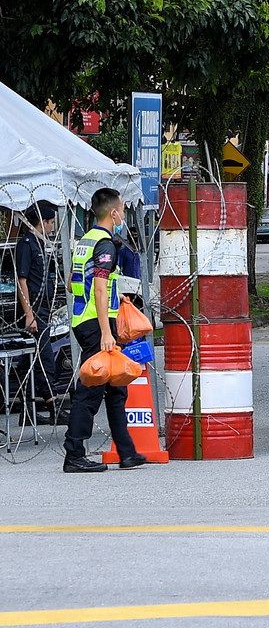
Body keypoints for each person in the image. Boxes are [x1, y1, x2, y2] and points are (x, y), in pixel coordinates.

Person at [63, 188, 147, 473]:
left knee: (115, 388)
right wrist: (105, 332)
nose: (123, 215)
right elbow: (98, 286)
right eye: (122, 210)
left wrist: (116, 297)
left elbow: (89, 282)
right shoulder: (105, 244)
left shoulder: (86, 240)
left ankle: (127, 452)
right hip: (95, 324)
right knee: (91, 388)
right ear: (113, 213)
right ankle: (74, 453)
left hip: (87, 317)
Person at [16, 201, 61, 422]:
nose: (52, 227)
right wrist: (29, 314)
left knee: (30, 362)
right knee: (45, 358)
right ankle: (52, 404)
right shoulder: (26, 244)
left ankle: (28, 411)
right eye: (51, 222)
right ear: (42, 222)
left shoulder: (39, 243)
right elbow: (22, 280)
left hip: (42, 307)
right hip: (33, 308)